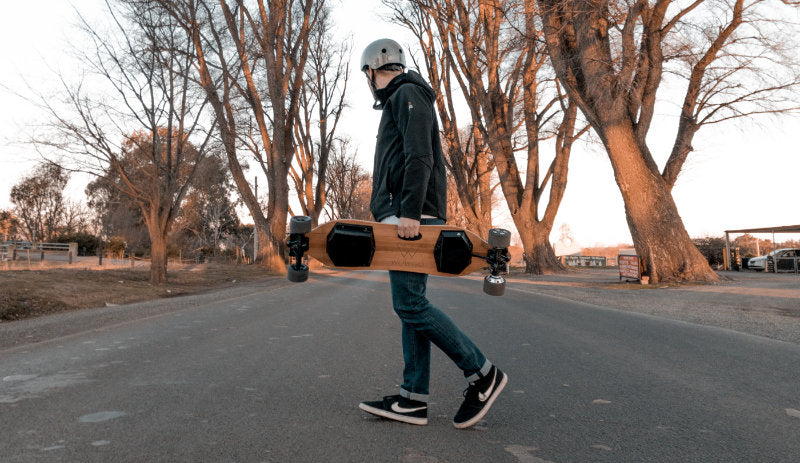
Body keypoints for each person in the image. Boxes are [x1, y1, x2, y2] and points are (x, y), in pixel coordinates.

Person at [356, 38, 507, 429]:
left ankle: (483, 373)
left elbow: (420, 154)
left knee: (409, 306)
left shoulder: (408, 93)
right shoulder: (402, 98)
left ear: (373, 70)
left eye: (367, 76)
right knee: (411, 305)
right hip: (406, 215)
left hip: (412, 218)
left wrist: (409, 213)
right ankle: (412, 398)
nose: (368, 82)